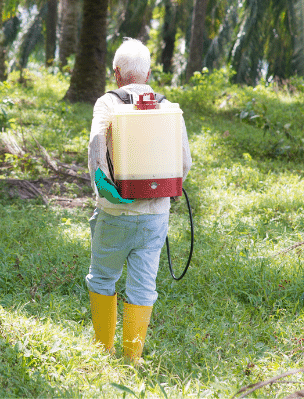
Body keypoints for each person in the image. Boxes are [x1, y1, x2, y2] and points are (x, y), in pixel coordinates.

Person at [85, 38, 192, 363]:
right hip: (155, 217)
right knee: (143, 285)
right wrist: (160, 191)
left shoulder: (107, 104)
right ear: (147, 73)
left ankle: (104, 351)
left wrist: (107, 190)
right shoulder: (167, 106)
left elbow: (95, 149)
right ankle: (132, 359)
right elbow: (184, 162)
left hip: (115, 213)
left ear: (116, 73)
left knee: (102, 278)